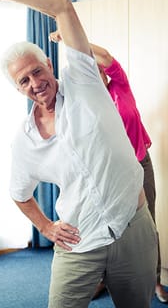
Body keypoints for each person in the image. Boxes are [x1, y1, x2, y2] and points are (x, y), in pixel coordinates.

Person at [0, 0, 158, 308]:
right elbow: (20, 193)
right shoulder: (25, 141)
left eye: (37, 71)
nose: (34, 83)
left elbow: (64, 7)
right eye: (23, 81)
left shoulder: (84, 82)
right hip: (79, 241)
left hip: (132, 226)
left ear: (50, 66)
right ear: (17, 89)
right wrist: (46, 226)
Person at [82, 38, 167, 303]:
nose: (96, 73)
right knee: (109, 225)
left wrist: (75, 40)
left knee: (147, 223)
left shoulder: (120, 86)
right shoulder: (86, 104)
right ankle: (104, 279)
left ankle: (154, 279)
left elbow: (106, 56)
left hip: (140, 163)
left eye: (98, 69)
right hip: (110, 171)